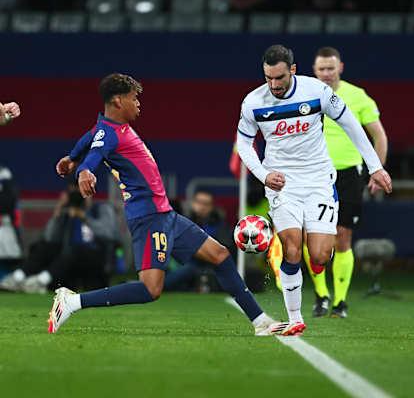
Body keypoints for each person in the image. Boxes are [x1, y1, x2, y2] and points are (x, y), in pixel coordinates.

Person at [47, 73, 289, 336]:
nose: (138, 103)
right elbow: (94, 153)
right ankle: (72, 302)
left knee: (219, 255)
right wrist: (83, 170)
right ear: (118, 101)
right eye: (133, 98)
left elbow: (90, 140)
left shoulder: (107, 129)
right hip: (148, 217)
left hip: (166, 215)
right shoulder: (109, 134)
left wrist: (71, 158)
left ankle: (260, 321)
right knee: (151, 289)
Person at [236, 44, 392, 335]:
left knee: (319, 255)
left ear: (293, 70)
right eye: (268, 78)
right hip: (282, 183)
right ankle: (295, 317)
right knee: (292, 248)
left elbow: (351, 125)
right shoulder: (253, 102)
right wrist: (263, 174)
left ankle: (319, 260)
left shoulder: (316, 92)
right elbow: (243, 144)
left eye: (279, 78)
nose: (274, 85)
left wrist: (375, 167)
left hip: (320, 180)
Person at [302, 46, 388, 318]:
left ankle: (339, 301)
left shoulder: (358, 97)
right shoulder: (304, 93)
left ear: (340, 67)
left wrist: (377, 169)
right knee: (311, 236)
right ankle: (321, 296)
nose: (326, 73)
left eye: (331, 68)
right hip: (313, 173)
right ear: (314, 71)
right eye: (321, 69)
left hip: (348, 173)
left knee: (342, 237)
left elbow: (380, 137)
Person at [0, 181, 118, 293]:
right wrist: (58, 211)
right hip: (67, 261)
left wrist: (84, 216)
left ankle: (40, 281)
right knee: (43, 247)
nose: (78, 196)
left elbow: (109, 234)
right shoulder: (66, 212)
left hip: (94, 259)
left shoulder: (101, 209)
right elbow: (49, 237)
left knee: (75, 250)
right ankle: (17, 278)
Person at [164, 189, 234, 292]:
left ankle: (157, 286)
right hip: (182, 262)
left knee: (187, 270)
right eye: (199, 202)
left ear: (211, 207)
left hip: (204, 266)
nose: (202, 207)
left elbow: (222, 250)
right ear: (193, 203)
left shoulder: (218, 225)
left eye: (206, 204)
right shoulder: (184, 222)